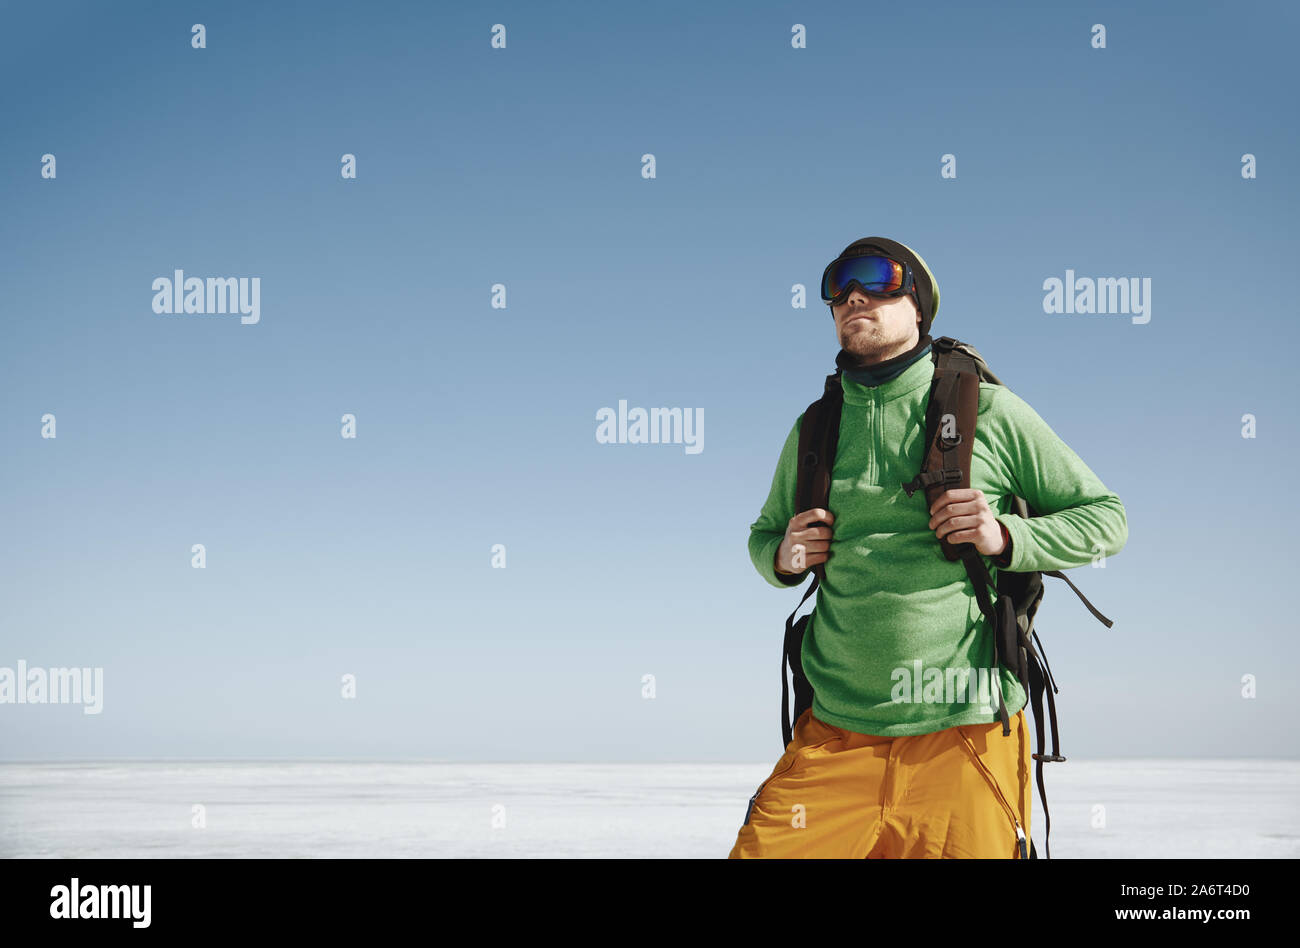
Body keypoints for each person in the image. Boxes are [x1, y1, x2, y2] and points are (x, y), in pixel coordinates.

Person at [728, 237, 1128, 858]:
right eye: (837, 287)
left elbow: (1106, 519)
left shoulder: (988, 412)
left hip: (965, 734)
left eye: (877, 279)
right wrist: (782, 557)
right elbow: (764, 537)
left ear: (919, 304)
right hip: (835, 736)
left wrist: (1006, 536)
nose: (852, 296)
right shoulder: (815, 427)